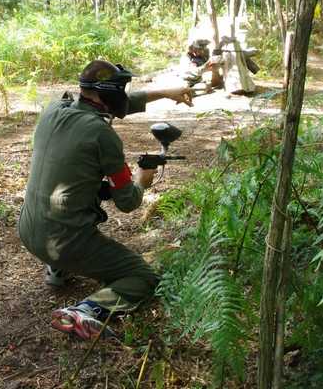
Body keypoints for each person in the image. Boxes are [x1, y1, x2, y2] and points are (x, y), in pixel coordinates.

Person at [17, 60, 193, 340]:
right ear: (109, 93)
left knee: (85, 190)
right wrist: (142, 180)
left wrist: (165, 92)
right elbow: (128, 202)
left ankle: (57, 270)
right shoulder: (102, 134)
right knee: (143, 278)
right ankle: (86, 310)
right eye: (120, 89)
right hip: (65, 243)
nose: (123, 95)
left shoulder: (54, 109)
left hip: (28, 231)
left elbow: (116, 105)